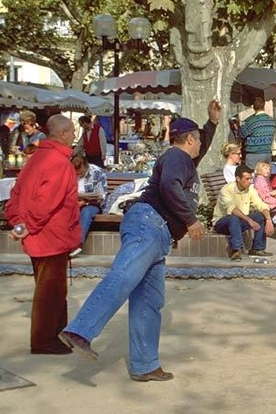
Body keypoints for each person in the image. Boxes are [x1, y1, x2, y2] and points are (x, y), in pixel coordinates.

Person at [59, 100, 221, 382]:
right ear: (189, 140)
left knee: (149, 301)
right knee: (123, 276)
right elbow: (170, 187)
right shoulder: (176, 157)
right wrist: (191, 220)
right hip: (149, 224)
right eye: (199, 140)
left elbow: (200, 148)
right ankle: (80, 330)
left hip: (158, 233)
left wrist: (212, 123)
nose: (201, 147)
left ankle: (145, 365)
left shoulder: (183, 158)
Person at [5, 114, 80, 355]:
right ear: (63, 134)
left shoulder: (37, 158)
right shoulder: (59, 162)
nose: (75, 136)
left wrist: (18, 224)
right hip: (51, 236)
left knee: (51, 289)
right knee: (50, 291)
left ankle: (56, 334)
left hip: (39, 235)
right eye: (72, 131)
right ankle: (44, 340)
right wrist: (28, 224)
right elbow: (46, 202)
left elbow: (16, 193)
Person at [213, 164, 275, 261]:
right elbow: (232, 209)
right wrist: (249, 220)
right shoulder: (226, 189)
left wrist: (268, 219)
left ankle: (257, 248)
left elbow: (260, 204)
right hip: (222, 222)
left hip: (240, 220)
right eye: (247, 179)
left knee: (260, 216)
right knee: (234, 217)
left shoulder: (250, 189)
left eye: (251, 179)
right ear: (238, 178)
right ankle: (236, 250)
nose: (250, 182)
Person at [70, 155, 108, 257]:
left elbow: (102, 196)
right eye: (76, 173)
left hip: (92, 204)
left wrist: (85, 202)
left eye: (80, 173)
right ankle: (63, 244)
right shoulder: (70, 172)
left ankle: (77, 244)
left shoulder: (96, 172)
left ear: (85, 167)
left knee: (86, 212)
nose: (78, 175)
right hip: (74, 202)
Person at [240, 96, 275, 169]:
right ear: (264, 106)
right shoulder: (271, 121)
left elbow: (242, 134)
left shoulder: (251, 121)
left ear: (254, 107)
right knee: (265, 177)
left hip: (253, 155)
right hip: (267, 153)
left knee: (252, 177)